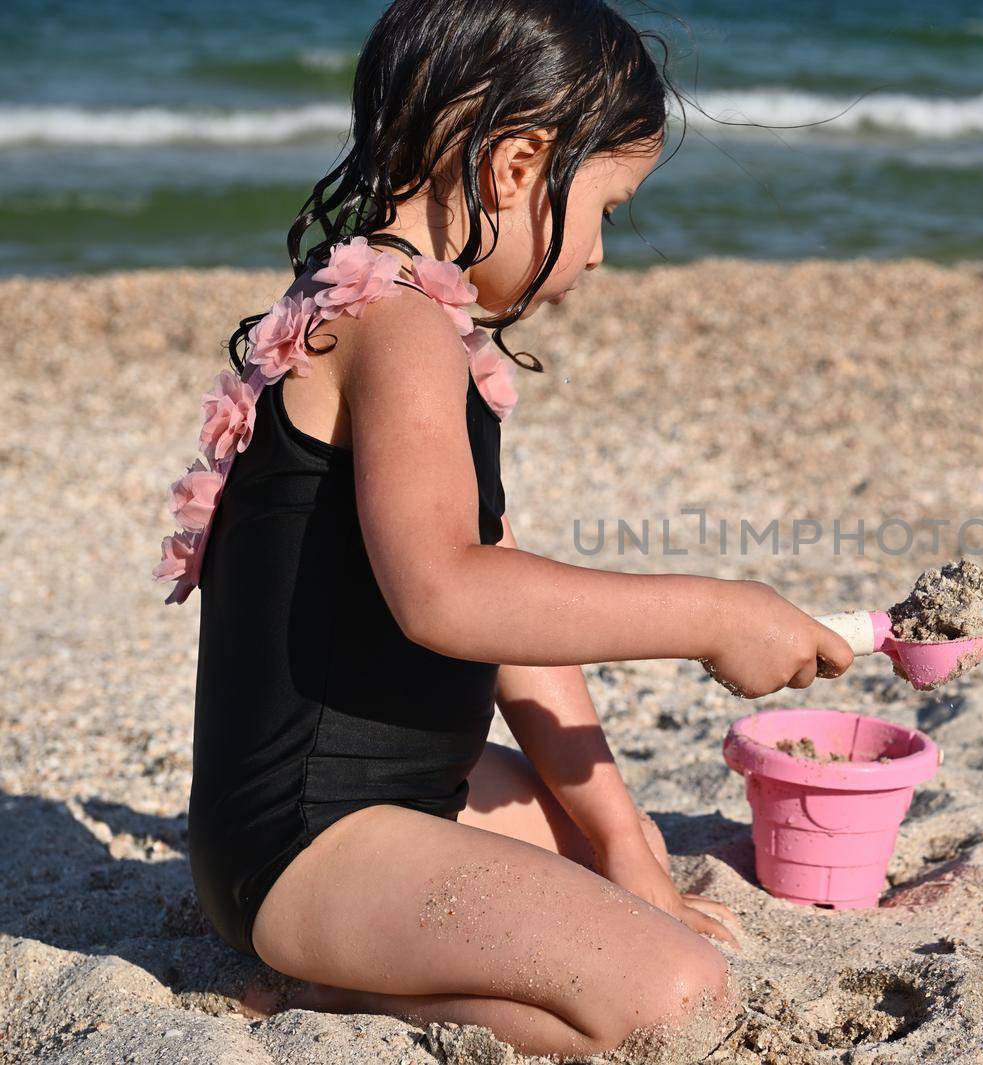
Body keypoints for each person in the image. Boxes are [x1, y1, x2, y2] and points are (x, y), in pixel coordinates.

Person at [151, 0, 855, 1055]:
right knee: (671, 997)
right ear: (516, 168)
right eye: (608, 208)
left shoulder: (413, 318)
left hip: (400, 792)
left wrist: (621, 840)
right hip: (307, 842)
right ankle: (309, 990)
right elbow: (447, 590)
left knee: (604, 849)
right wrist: (715, 613)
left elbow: (512, 612)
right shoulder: (391, 329)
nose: (602, 256)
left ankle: (399, 936)